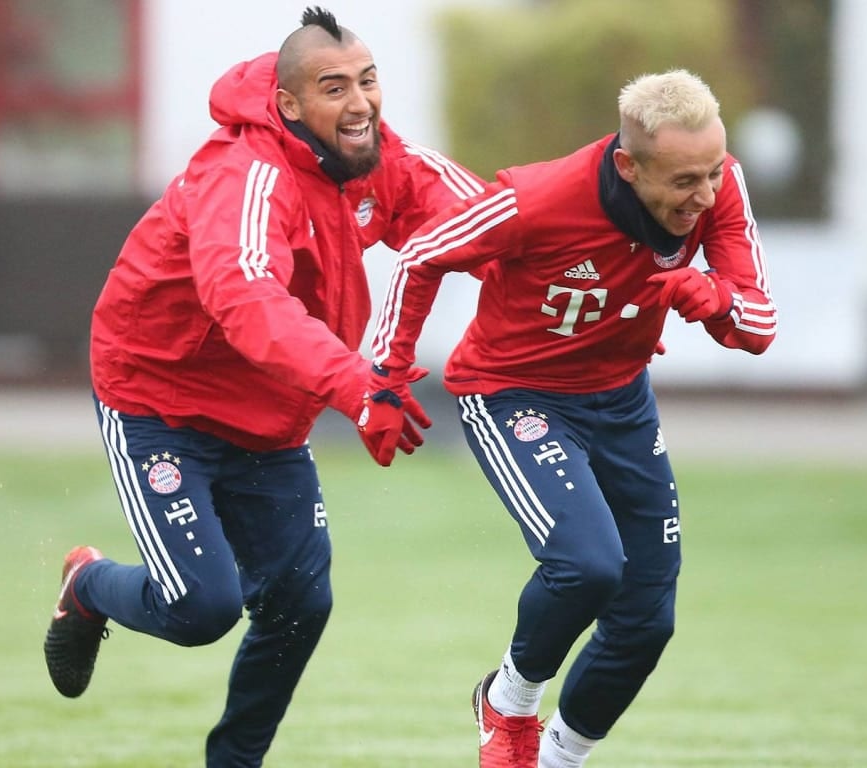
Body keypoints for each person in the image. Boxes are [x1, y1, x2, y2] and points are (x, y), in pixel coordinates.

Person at [41, 7, 482, 766]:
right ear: (288, 104)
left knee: (301, 603)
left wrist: (603, 267)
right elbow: (247, 297)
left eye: (368, 82)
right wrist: (357, 385)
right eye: (334, 87)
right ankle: (88, 586)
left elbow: (489, 221)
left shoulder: (377, 156)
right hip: (160, 400)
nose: (360, 104)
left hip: (272, 414)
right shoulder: (244, 174)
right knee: (199, 606)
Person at [368, 69, 777, 767]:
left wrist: (712, 297)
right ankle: (509, 702)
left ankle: (559, 759)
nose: (703, 195)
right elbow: (421, 254)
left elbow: (759, 320)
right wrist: (384, 375)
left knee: (647, 621)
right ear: (628, 164)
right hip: (512, 393)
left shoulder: (720, 184)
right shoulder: (535, 199)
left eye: (712, 172)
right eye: (683, 181)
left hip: (620, 399)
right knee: (588, 565)